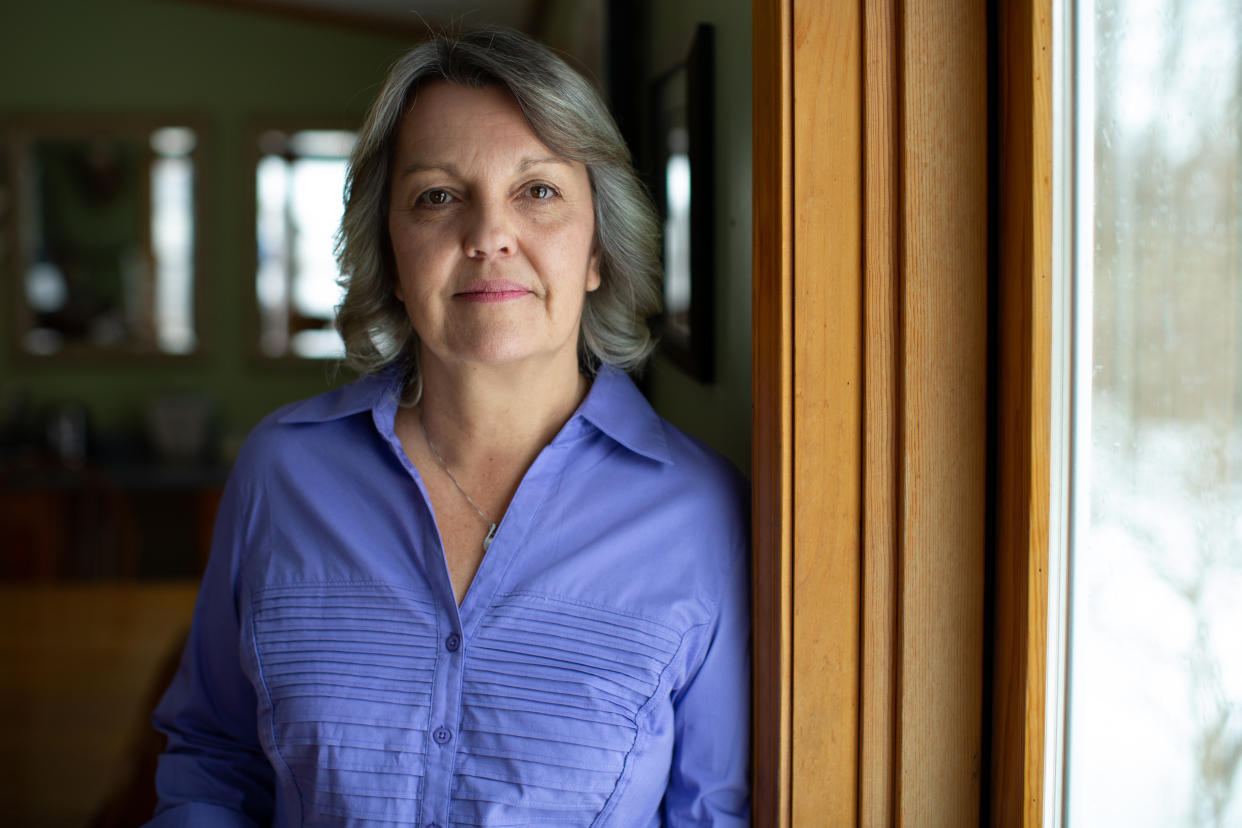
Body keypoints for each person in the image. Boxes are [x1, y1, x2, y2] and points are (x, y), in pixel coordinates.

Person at [146, 26, 749, 827]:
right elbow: (215, 761)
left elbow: (717, 813)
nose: (488, 236)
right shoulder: (280, 473)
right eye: (437, 195)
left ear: (597, 248)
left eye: (538, 191)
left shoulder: (703, 513)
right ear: (391, 253)